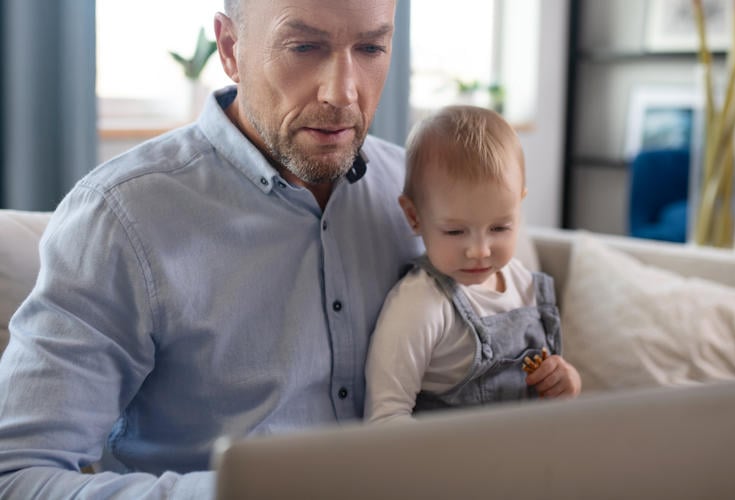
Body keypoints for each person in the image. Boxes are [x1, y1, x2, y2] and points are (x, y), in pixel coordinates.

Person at [0, 0, 422, 497]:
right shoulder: (117, 218)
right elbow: (18, 476)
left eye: (371, 47)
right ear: (229, 49)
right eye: (304, 47)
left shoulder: (419, 193)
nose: (343, 93)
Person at [364, 105, 581, 424]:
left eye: (499, 228)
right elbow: (385, 417)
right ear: (414, 217)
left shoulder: (524, 283)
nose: (479, 252)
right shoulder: (421, 305)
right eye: (455, 231)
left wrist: (566, 382)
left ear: (519, 208)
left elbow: (548, 388)